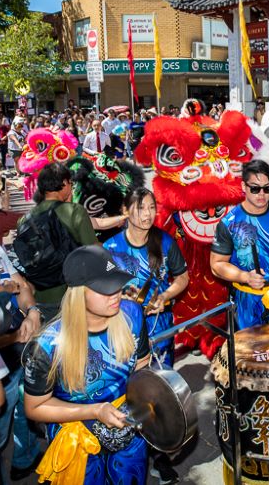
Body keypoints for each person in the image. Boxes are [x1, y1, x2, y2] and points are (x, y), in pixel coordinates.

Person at [23, 246, 151, 484]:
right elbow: (35, 407)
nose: (115, 292)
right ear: (79, 293)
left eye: (116, 282)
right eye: (104, 287)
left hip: (128, 430)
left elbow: (142, 365)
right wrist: (94, 411)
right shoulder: (47, 345)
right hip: (75, 437)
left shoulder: (132, 314)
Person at [210, 159, 269, 329]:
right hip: (245, 299)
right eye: (255, 188)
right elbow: (216, 264)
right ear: (244, 187)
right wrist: (245, 277)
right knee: (250, 352)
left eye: (267, 189)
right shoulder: (229, 222)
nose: (261, 194)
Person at [103, 187, 188, 366]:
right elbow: (102, 288)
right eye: (141, 208)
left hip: (160, 326)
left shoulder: (166, 242)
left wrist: (164, 296)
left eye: (151, 207)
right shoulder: (110, 248)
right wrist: (121, 297)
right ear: (125, 211)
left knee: (161, 381)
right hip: (125, 327)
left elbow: (182, 278)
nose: (148, 214)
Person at [23, 162, 100, 304]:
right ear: (64, 183)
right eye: (71, 183)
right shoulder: (75, 212)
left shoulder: (24, 220)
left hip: (42, 297)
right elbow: (94, 252)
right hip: (74, 295)